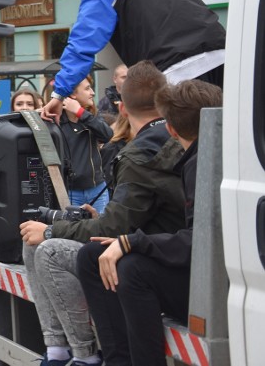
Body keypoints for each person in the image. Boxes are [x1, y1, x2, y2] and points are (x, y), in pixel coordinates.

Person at [18, 61, 187, 366]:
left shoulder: (138, 153)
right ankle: (58, 349)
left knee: (52, 250)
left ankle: (83, 355)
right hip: (164, 249)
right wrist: (95, 216)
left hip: (152, 258)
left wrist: (51, 231)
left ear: (122, 109)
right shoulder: (174, 138)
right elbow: (139, 212)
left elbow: (114, 227)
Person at [77, 80, 222, 366]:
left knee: (132, 270)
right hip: (202, 266)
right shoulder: (203, 154)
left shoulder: (203, 163)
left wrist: (132, 242)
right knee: (92, 255)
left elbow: (200, 243)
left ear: (171, 128)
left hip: (212, 282)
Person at [42, 0, 226, 124]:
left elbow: (83, 43)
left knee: (189, 144)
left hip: (174, 67)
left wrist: (59, 94)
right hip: (221, 55)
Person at [59, 77, 113, 214]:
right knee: (74, 233)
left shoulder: (90, 117)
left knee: (101, 232)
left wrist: (81, 113)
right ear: (72, 94)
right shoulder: (57, 122)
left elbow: (108, 135)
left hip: (97, 188)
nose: (93, 93)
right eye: (87, 88)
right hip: (71, 191)